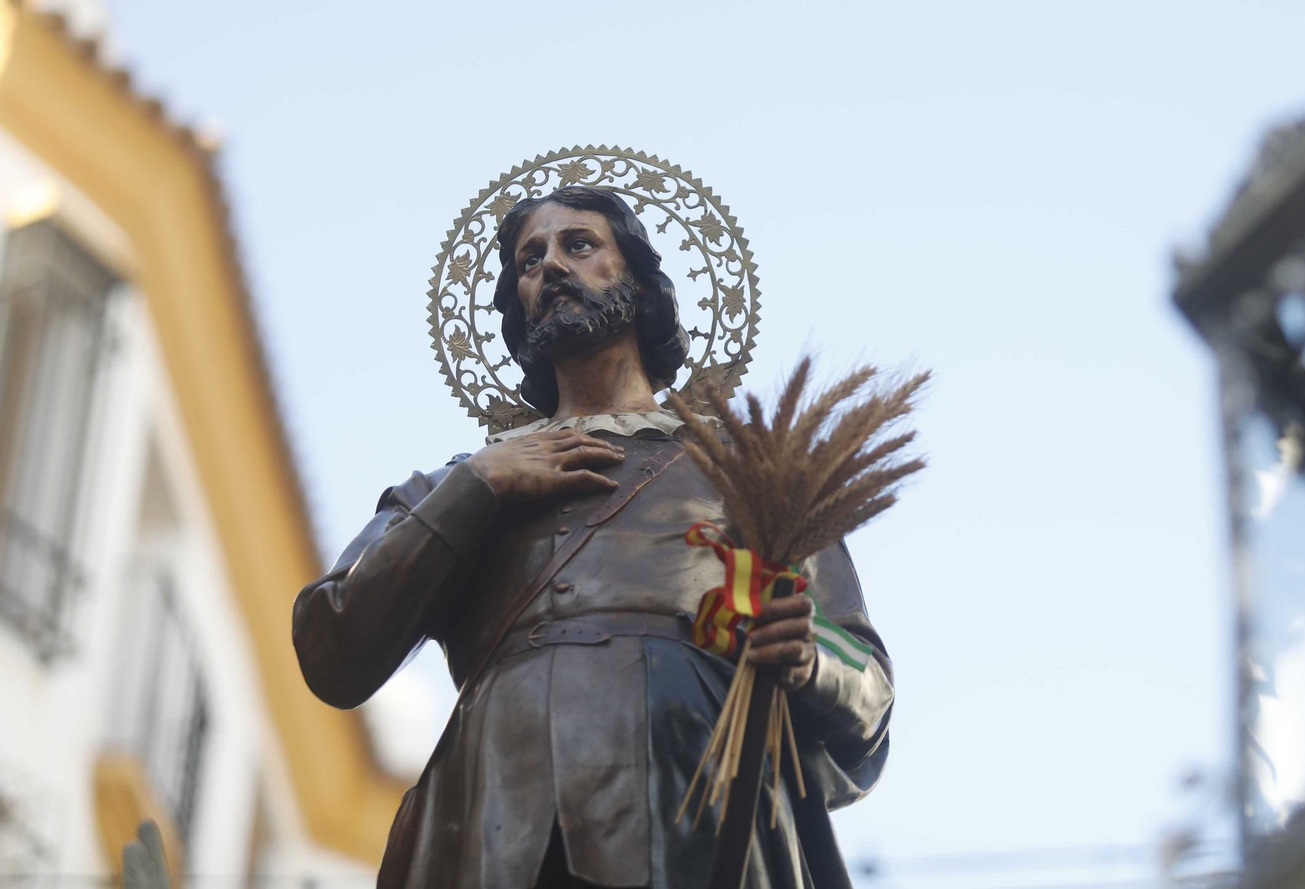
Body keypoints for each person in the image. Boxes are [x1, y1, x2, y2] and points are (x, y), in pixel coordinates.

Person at [292, 186, 893, 888]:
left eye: (579, 244)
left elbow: (868, 696)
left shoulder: (751, 472)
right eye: (528, 259)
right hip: (497, 810)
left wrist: (806, 660)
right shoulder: (460, 482)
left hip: (692, 792)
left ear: (638, 282)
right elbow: (332, 644)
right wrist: (478, 488)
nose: (548, 267)